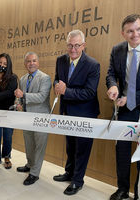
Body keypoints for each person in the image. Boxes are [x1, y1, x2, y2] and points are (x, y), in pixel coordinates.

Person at [106, 14, 140, 200]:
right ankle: (123, 189)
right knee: (123, 152)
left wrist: (131, 97)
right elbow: (111, 73)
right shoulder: (117, 50)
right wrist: (112, 86)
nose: (135, 34)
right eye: (130, 31)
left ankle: (139, 193)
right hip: (125, 110)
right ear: (123, 33)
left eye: (138, 29)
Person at [53, 30, 100, 195]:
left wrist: (66, 91)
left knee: (82, 149)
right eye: (70, 45)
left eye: (77, 45)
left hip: (85, 114)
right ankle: (69, 173)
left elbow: (89, 93)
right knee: (70, 146)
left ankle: (77, 181)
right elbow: (57, 79)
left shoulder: (93, 65)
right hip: (67, 112)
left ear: (83, 45)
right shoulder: (60, 60)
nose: (73, 49)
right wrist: (56, 87)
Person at [14, 52, 51, 185]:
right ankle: (29, 165)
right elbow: (19, 97)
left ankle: (34, 173)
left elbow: (41, 97)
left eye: (34, 61)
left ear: (38, 63)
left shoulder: (45, 78)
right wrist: (18, 103)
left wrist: (23, 95)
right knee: (29, 144)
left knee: (39, 146)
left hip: (41, 118)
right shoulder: (23, 79)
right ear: (25, 64)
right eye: (29, 61)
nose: (31, 63)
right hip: (26, 117)